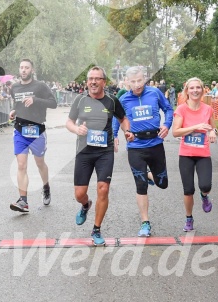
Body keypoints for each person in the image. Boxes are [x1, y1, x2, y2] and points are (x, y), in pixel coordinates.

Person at [66, 66, 126, 246]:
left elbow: (123, 119)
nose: (93, 82)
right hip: (84, 152)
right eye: (90, 78)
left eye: (97, 79)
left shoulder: (112, 101)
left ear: (104, 82)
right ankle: (85, 205)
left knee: (103, 188)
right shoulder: (79, 100)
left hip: (104, 151)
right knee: (79, 193)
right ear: (87, 82)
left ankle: (96, 229)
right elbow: (68, 122)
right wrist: (77, 129)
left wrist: (127, 131)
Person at [116, 66, 174, 237]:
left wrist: (167, 124)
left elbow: (168, 109)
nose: (137, 84)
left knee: (162, 183)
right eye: (133, 82)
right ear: (127, 82)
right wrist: (118, 135)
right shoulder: (124, 99)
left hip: (156, 144)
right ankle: (145, 223)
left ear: (145, 79)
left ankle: (150, 175)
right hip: (135, 146)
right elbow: (118, 118)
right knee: (140, 186)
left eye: (139, 80)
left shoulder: (155, 93)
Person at [9, 59, 58, 213]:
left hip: (37, 131)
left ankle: (46, 186)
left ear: (32, 70)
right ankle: (23, 201)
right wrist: (14, 111)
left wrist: (35, 100)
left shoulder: (40, 86)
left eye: (27, 68)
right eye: (22, 67)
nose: (23, 70)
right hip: (20, 130)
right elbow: (17, 104)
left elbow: (53, 103)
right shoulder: (15, 87)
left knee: (40, 164)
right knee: (21, 165)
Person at [171, 78, 216, 232]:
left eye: (198, 88)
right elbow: (175, 131)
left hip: (203, 154)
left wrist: (212, 132)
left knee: (205, 186)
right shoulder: (182, 109)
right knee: (188, 190)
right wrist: (196, 127)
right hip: (186, 154)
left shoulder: (208, 109)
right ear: (187, 91)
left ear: (203, 90)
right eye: (192, 88)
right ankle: (189, 218)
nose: (195, 90)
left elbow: (213, 128)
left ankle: (204, 196)